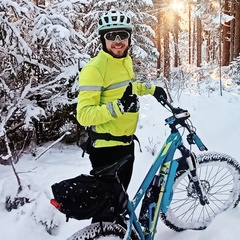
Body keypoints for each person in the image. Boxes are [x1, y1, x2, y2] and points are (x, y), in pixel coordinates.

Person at [76, 9, 167, 198]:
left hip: (126, 143)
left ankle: (118, 227)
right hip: (106, 150)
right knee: (106, 207)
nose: (118, 40)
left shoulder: (125, 61)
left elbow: (128, 88)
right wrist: (118, 107)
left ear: (129, 38)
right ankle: (105, 229)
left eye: (123, 35)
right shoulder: (94, 69)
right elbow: (83, 114)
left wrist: (152, 89)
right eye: (111, 35)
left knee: (120, 199)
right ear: (103, 39)